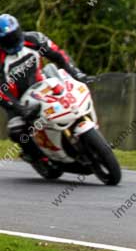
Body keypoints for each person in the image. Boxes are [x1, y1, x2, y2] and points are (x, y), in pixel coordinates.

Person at [0, 14, 93, 168]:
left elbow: (58, 55)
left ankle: (85, 126)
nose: (14, 40)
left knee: (69, 93)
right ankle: (40, 159)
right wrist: (20, 109)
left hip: (42, 85)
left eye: (15, 35)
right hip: (18, 100)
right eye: (7, 39)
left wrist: (75, 73)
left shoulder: (34, 39)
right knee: (16, 130)